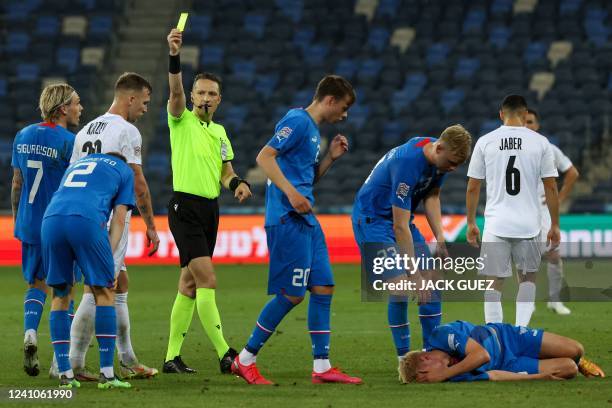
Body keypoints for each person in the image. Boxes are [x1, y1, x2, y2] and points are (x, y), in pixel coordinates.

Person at [231, 75, 362, 385]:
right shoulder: (297, 120)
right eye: (343, 108)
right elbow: (264, 156)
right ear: (330, 100)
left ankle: (322, 367)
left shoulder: (313, 133)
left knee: (323, 287)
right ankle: (244, 359)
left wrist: (330, 157)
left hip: (306, 219)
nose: (344, 115)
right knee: (291, 294)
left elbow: (305, 179)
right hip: (286, 217)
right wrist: (290, 193)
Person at [163, 28, 252, 374]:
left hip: (210, 210)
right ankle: (224, 353)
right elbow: (173, 90)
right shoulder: (179, 118)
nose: (205, 98)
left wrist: (238, 184)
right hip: (184, 207)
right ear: (192, 95)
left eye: (211, 93)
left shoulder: (220, 133)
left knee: (188, 283)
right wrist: (174, 55)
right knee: (207, 280)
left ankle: (172, 357)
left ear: (219, 100)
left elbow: (225, 172)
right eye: (199, 92)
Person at [67, 72, 159, 380]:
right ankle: (72, 364)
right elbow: (138, 182)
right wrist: (150, 224)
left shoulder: (85, 131)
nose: (146, 108)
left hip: (80, 213)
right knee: (97, 289)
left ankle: (128, 358)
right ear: (130, 98)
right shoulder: (127, 131)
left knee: (120, 283)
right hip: (112, 215)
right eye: (144, 102)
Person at [352, 125, 472, 358]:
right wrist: (414, 275)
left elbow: (432, 195)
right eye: (452, 162)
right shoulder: (408, 164)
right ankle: (404, 359)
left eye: (458, 164)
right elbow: (399, 226)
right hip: (373, 221)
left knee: (432, 283)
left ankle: (432, 352)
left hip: (402, 220)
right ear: (439, 148)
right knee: (401, 287)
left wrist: (439, 237)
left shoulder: (439, 157)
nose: (454, 168)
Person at [42, 152, 135, 389]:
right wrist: (109, 258)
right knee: (104, 292)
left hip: (51, 219)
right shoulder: (125, 171)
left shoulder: (80, 162)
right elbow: (120, 218)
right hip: (85, 220)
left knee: (61, 295)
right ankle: (107, 375)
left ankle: (65, 374)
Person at [466, 95, 561, 327]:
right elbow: (550, 186)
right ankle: (521, 332)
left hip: (496, 225)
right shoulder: (541, 142)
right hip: (529, 225)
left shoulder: (485, 141)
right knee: (527, 279)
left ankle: (495, 332)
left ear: (501, 114)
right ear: (525, 113)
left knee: (494, 282)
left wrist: (471, 222)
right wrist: (555, 224)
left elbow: (473, 187)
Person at [11, 83, 82, 376]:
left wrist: (19, 218)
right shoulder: (70, 142)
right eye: (77, 103)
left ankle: (30, 331)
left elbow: (17, 183)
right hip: (57, 223)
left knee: (35, 284)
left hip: (29, 221)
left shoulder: (23, 135)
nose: (80, 109)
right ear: (63, 108)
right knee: (63, 290)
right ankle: (59, 362)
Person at [398, 319, 605, 383]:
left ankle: (580, 359)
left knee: (575, 349)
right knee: (568, 368)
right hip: (508, 365)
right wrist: (540, 377)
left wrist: (445, 373)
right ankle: (576, 364)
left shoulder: (441, 335)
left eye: (425, 375)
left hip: (508, 338)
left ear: (425, 358)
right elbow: (494, 374)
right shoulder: (452, 377)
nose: (431, 379)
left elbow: (482, 356)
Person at [525, 108, 579, 315]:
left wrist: (560, 198)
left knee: (554, 254)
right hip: (522, 210)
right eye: (524, 122)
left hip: (543, 210)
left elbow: (572, 173)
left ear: (537, 126)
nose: (527, 125)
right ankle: (528, 302)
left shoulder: (548, 149)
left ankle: (555, 301)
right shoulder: (512, 150)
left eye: (530, 122)